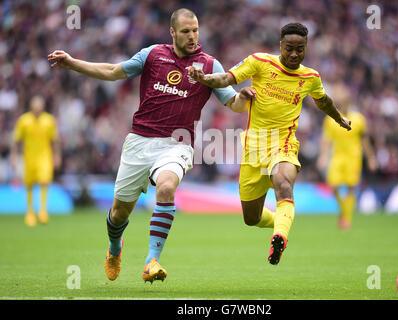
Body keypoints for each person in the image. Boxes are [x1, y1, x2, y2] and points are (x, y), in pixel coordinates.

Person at [48, 8, 254, 282]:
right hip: (139, 142)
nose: (192, 36)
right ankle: (114, 247)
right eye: (185, 31)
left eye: (195, 30)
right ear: (172, 32)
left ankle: (151, 261)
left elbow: (233, 104)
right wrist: (73, 63)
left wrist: (245, 96)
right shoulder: (153, 55)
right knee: (120, 212)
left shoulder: (209, 66)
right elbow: (112, 71)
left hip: (177, 143)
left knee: (167, 187)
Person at [187, 22, 352, 265]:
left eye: (300, 49)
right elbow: (226, 78)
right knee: (251, 218)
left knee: (283, 184)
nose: (294, 54)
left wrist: (339, 118)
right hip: (253, 148)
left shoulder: (310, 77)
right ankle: (280, 220)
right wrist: (205, 78)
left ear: (306, 47)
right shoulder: (259, 62)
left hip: (283, 143)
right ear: (280, 46)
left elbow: (323, 100)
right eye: (289, 48)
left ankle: (280, 236)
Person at [317, 83, 377, 230]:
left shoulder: (358, 119)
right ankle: (345, 212)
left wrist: (371, 158)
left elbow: (364, 140)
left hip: (353, 158)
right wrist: (323, 156)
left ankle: (347, 220)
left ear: (349, 102)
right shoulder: (330, 119)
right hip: (337, 157)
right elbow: (326, 140)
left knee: (351, 188)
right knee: (333, 186)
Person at [11, 95, 61, 227]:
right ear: (31, 106)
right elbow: (16, 140)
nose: (37, 108)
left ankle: (43, 211)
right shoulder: (24, 120)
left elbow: (54, 140)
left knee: (44, 182)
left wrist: (57, 155)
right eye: (35, 105)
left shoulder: (49, 120)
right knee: (29, 184)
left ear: (43, 106)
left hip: (45, 157)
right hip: (28, 157)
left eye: (39, 105)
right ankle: (30, 212)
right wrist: (14, 155)